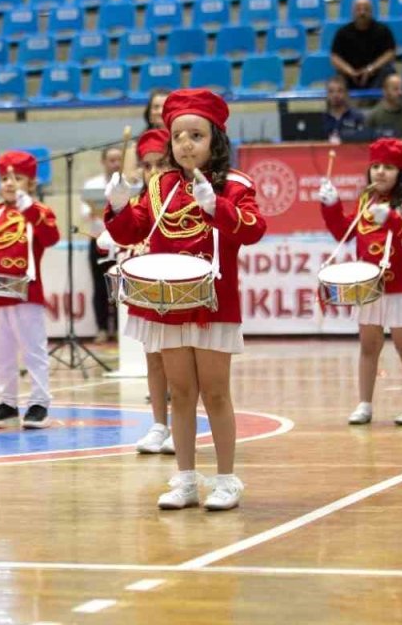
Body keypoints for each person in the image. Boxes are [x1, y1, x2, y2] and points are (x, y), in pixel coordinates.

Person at [105, 89, 267, 511]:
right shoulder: (160, 186)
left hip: (213, 304)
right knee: (180, 393)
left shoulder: (236, 185)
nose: (186, 144)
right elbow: (132, 230)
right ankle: (186, 480)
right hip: (170, 305)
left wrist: (218, 208)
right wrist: (118, 208)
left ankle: (226, 480)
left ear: (216, 139)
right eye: (178, 136)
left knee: (215, 394)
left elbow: (254, 229)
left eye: (196, 135)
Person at [318, 138, 402, 426]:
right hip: (369, 286)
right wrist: (331, 206)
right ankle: (364, 404)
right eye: (376, 166)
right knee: (368, 347)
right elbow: (343, 232)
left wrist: (392, 218)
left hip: (400, 286)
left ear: (401, 173)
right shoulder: (366, 199)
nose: (380, 172)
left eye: (389, 167)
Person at [0, 151, 60, 429]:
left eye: (17, 178)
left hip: (26, 291)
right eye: (5, 178)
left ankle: (39, 403)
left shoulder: (40, 211)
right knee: (2, 352)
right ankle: (6, 403)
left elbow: (51, 238)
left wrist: (30, 210)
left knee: (33, 350)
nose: (9, 183)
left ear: (31, 183)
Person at [119, 128, 178, 456]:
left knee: (179, 363)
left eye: (161, 164)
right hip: (148, 289)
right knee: (153, 359)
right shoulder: (139, 202)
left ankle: (183, 424)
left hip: (177, 288)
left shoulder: (181, 198)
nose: (153, 172)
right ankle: (159, 424)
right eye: (147, 165)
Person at [81, 146, 123, 342]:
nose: (115, 164)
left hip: (122, 242)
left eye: (119, 160)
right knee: (99, 285)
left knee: (121, 285)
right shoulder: (92, 185)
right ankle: (102, 328)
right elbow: (85, 213)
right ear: (103, 162)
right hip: (98, 240)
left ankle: (121, 329)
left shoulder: (129, 184)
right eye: (111, 160)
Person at [331, 0, 397, 92]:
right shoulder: (342, 32)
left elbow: (390, 53)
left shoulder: (383, 30)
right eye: (358, 9)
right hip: (351, 76)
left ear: (371, 11)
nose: (362, 13)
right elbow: (335, 57)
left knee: (389, 72)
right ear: (353, 12)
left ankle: (370, 99)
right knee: (338, 79)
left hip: (376, 75)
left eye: (366, 9)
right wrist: (350, 71)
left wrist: (370, 69)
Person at [323, 75, 368, 144]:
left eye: (340, 91)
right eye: (331, 91)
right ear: (327, 94)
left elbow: (363, 141)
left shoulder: (357, 117)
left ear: (346, 93)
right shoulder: (321, 118)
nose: (335, 95)